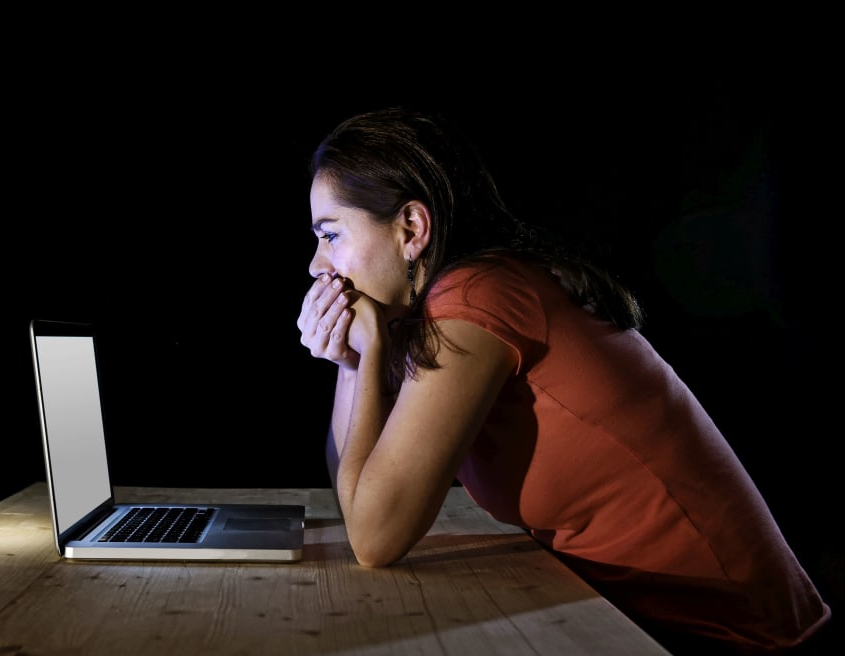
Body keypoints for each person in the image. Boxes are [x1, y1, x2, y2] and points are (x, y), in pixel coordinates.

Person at [296, 106, 832, 654]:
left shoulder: (477, 300)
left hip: (735, 636)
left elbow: (372, 537)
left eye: (330, 234)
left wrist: (365, 359)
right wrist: (353, 363)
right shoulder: (467, 294)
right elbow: (357, 496)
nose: (318, 264)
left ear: (412, 228)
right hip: (647, 620)